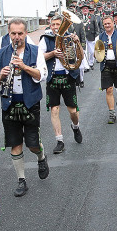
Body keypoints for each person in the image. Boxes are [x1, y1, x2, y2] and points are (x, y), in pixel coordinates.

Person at [0, 18, 49, 197]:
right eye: (13, 34)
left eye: (20, 33)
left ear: (26, 33)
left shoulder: (35, 51)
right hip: (9, 103)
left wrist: (24, 66)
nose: (16, 37)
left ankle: (41, 157)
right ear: (9, 34)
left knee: (32, 144)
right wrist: (0, 76)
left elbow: (41, 75)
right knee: (15, 144)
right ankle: (21, 180)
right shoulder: (1, 53)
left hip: (30, 102)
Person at [41, 14, 83, 154]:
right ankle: (59, 140)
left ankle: (75, 126)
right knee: (54, 110)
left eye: (57, 24)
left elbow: (80, 56)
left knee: (73, 111)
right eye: (53, 25)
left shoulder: (70, 37)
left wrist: (77, 43)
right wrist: (52, 53)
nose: (54, 27)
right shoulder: (46, 39)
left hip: (68, 77)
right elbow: (39, 56)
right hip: (52, 79)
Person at [80, 3, 99, 71]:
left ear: (88, 10)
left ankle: (91, 63)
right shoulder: (79, 17)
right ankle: (86, 66)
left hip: (91, 36)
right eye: (83, 9)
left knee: (91, 52)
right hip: (82, 37)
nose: (85, 10)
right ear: (81, 10)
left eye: (86, 9)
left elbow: (96, 27)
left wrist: (96, 36)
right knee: (84, 52)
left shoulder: (92, 17)